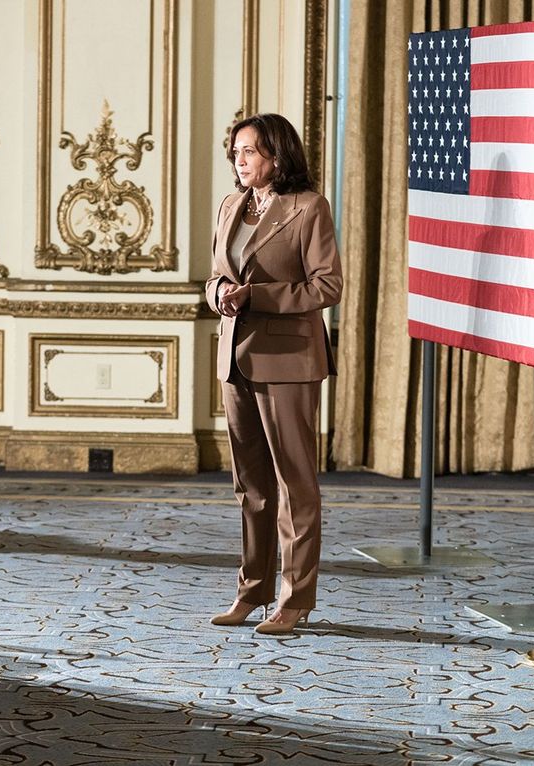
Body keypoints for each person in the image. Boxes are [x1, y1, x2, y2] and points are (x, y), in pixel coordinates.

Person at [206, 113, 342, 635]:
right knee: (250, 486)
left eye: (249, 151)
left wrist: (257, 297)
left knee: (294, 484)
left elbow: (326, 286)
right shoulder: (230, 205)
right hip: (234, 358)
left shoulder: (309, 207)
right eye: (236, 151)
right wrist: (221, 293)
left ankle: (294, 598)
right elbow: (215, 276)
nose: (239, 160)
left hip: (288, 361)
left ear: (277, 155)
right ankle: (253, 590)